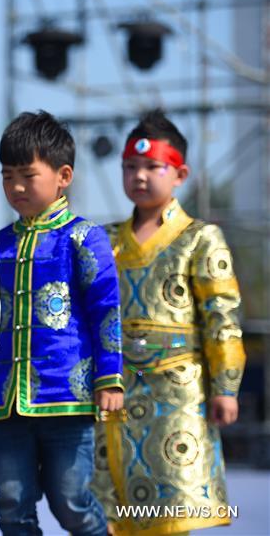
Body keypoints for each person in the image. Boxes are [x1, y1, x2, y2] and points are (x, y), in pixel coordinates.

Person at [91, 109, 246, 535]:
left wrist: (226, 387)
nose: (139, 176)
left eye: (152, 167)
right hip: (115, 389)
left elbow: (222, 316)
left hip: (179, 392)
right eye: (130, 167)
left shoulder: (200, 237)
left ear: (179, 174)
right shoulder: (103, 241)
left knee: (171, 505)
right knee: (113, 510)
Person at [0, 111, 124, 536]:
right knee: (11, 505)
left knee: (73, 504)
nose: (16, 187)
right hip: (7, 403)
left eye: (27, 175)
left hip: (68, 398)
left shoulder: (85, 237)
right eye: (8, 176)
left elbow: (106, 308)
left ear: (64, 175)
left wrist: (110, 377)